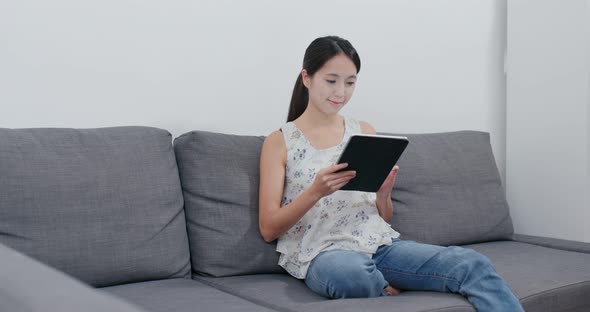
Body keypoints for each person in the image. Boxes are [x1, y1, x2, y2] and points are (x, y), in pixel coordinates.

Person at [258, 36, 524, 311]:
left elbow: (382, 217)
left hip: (379, 246)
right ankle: (381, 287)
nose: (341, 92)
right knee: (350, 274)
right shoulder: (279, 142)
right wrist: (315, 191)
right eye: (331, 80)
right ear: (307, 78)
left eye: (350, 82)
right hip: (322, 255)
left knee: (471, 263)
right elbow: (269, 229)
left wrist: (383, 194)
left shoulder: (364, 131)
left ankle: (380, 282)